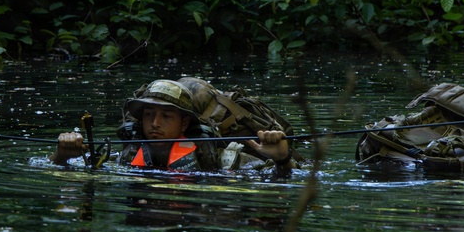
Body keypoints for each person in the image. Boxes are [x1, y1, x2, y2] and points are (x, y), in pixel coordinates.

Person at [50, 79, 295, 175]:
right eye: (149, 115)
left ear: (184, 122)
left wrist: (282, 161)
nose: (155, 124)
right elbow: (63, 171)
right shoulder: (123, 158)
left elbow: (281, 180)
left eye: (167, 116)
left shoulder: (222, 160)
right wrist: (62, 155)